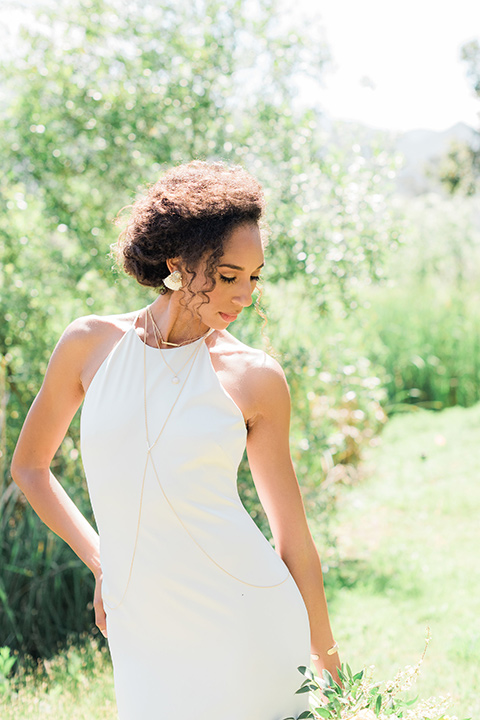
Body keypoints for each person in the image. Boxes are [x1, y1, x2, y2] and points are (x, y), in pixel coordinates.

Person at [11, 160, 340, 719]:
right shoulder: (90, 344)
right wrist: (102, 561)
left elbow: (292, 538)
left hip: (248, 614)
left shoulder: (255, 376)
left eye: (255, 277)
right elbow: (31, 468)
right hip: (142, 617)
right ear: (178, 264)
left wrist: (329, 660)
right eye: (229, 275)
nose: (246, 296)